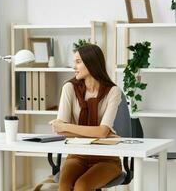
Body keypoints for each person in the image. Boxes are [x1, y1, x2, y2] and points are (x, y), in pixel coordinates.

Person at [50, 44, 122, 191]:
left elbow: (102, 132)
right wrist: (99, 133)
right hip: (78, 155)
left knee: (82, 186)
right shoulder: (69, 88)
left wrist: (66, 126)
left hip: (107, 158)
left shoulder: (113, 92)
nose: (73, 66)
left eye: (78, 62)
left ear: (91, 63)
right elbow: (60, 131)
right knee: (64, 186)